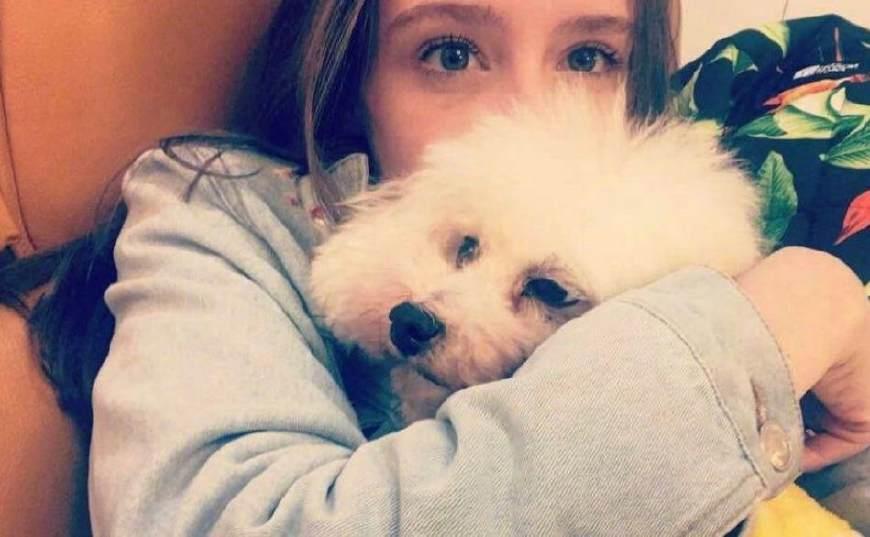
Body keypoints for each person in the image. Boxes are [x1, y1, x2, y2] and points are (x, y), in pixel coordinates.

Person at [2, 1, 869, 535]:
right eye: (451, 53)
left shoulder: (677, 222)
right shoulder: (218, 210)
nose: (522, 115)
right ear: (354, 70)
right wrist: (768, 330)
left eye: (587, 59)